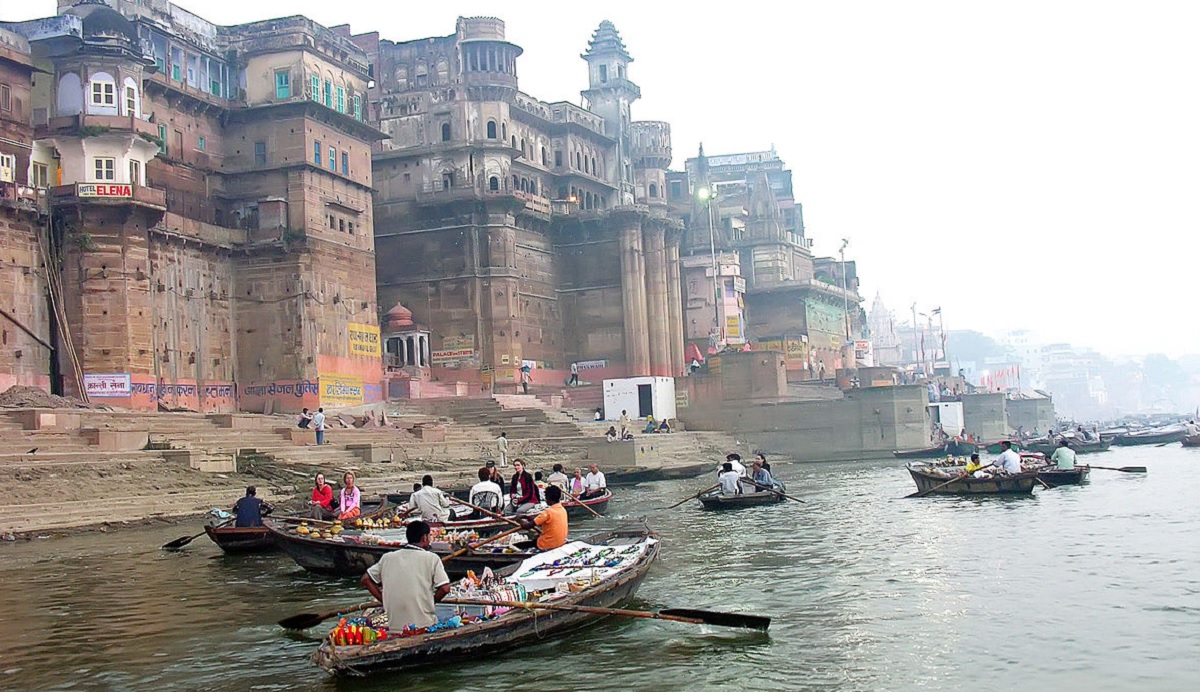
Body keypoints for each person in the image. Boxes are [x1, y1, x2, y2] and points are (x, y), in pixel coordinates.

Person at [360, 520, 451, 631]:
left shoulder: (387, 558)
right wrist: (432, 601)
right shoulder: (432, 558)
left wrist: (384, 601)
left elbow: (365, 579)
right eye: (429, 536)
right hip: (424, 625)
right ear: (424, 538)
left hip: (395, 626)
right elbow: (445, 588)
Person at [520, 485, 568, 552]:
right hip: (560, 542)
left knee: (520, 546)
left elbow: (527, 526)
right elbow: (538, 520)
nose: (545, 500)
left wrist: (519, 520)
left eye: (546, 497)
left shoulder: (548, 512)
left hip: (546, 545)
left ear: (549, 498)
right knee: (536, 538)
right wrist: (527, 517)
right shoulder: (562, 510)